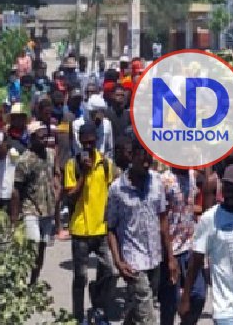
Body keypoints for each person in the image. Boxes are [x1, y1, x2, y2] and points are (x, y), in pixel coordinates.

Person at [179, 164, 233, 325]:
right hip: (224, 306)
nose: (231, 193)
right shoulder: (209, 218)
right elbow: (196, 261)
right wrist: (186, 297)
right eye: (227, 187)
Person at [107, 140, 173, 325]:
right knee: (148, 317)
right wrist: (118, 262)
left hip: (155, 258)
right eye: (142, 159)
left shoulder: (156, 183)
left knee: (140, 306)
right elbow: (111, 228)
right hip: (133, 261)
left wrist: (171, 257)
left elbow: (163, 221)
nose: (146, 164)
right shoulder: (117, 189)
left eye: (149, 160)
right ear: (132, 155)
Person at [66, 122, 116, 325]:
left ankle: (98, 304)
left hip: (102, 229)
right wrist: (83, 175)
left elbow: (112, 193)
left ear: (96, 140)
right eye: (84, 142)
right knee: (80, 278)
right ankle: (77, 317)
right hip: (80, 230)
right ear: (80, 141)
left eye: (91, 142)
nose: (88, 146)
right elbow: (70, 197)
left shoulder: (106, 164)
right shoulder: (73, 164)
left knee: (111, 272)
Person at [12, 120, 58, 284]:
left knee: (42, 248)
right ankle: (21, 279)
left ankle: (33, 281)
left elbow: (55, 175)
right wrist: (14, 219)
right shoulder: (25, 161)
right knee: (32, 245)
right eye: (40, 138)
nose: (44, 140)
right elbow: (16, 190)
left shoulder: (51, 154)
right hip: (30, 209)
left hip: (48, 210)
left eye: (46, 137)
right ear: (31, 138)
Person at [158, 164, 203, 325]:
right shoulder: (164, 180)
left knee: (198, 296)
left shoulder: (192, 176)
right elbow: (161, 220)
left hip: (191, 248)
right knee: (170, 304)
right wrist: (169, 257)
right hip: (171, 251)